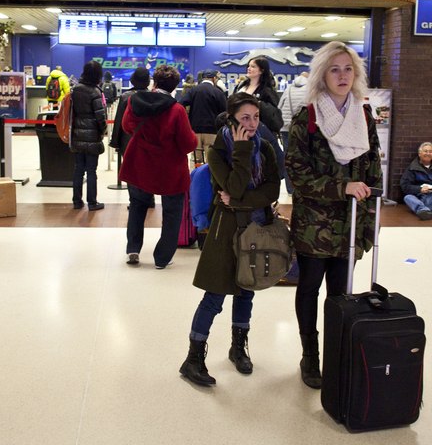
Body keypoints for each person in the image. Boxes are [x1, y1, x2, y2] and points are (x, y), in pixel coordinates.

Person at [285, 41, 382, 389]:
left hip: (350, 225)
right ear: (322, 74)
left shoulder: (363, 116)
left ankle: (337, 351)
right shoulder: (307, 117)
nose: (342, 76)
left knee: (341, 294)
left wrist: (369, 218)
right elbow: (296, 173)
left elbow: (373, 171)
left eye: (348, 68)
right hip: (314, 225)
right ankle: (310, 355)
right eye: (334, 69)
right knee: (309, 288)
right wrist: (341, 187)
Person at [179, 93, 280, 386]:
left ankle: (238, 348)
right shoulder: (218, 152)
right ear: (232, 120)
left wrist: (241, 199)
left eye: (256, 117)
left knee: (247, 291)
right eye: (245, 118)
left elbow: (272, 190)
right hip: (226, 231)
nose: (252, 124)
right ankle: (193, 358)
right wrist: (243, 151)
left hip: (257, 227)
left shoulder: (267, 148)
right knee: (215, 295)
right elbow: (234, 184)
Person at [119, 64, 197, 268]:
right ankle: (162, 258)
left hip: (140, 163)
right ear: (174, 87)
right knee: (172, 212)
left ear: (154, 81)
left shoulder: (135, 101)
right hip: (168, 167)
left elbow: (127, 126)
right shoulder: (177, 110)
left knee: (137, 206)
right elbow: (188, 143)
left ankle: (133, 249)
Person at [70, 60, 108, 211]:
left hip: (77, 134)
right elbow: (100, 117)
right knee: (91, 170)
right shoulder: (95, 92)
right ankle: (92, 202)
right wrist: (103, 130)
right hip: (92, 136)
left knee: (78, 169)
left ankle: (77, 201)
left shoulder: (76, 89)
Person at [180, 69, 227, 162]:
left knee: (196, 161)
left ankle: (195, 176)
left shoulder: (194, 90)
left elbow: (181, 103)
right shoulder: (218, 92)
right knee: (212, 161)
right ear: (213, 78)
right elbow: (225, 112)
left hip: (195, 130)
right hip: (212, 131)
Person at [234, 57, 283, 135]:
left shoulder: (267, 91)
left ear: (262, 70)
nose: (249, 68)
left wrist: (258, 103)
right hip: (238, 128)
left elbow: (272, 115)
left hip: (257, 131)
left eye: (253, 66)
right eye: (248, 66)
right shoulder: (241, 86)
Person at [278, 71, 309, 193]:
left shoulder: (289, 89)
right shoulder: (310, 89)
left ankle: (290, 190)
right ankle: (302, 188)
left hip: (286, 127)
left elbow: (279, 107)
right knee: (303, 158)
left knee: (288, 158)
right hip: (302, 128)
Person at [110, 66, 150, 156]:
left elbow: (119, 121)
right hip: (147, 140)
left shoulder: (125, 97)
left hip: (127, 140)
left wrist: (115, 142)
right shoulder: (153, 97)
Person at [400, 142, 432, 220]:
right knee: (408, 198)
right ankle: (424, 210)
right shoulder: (412, 168)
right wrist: (419, 189)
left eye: (430, 151)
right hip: (419, 196)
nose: (428, 153)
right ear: (419, 153)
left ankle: (424, 210)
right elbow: (405, 186)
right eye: (425, 151)